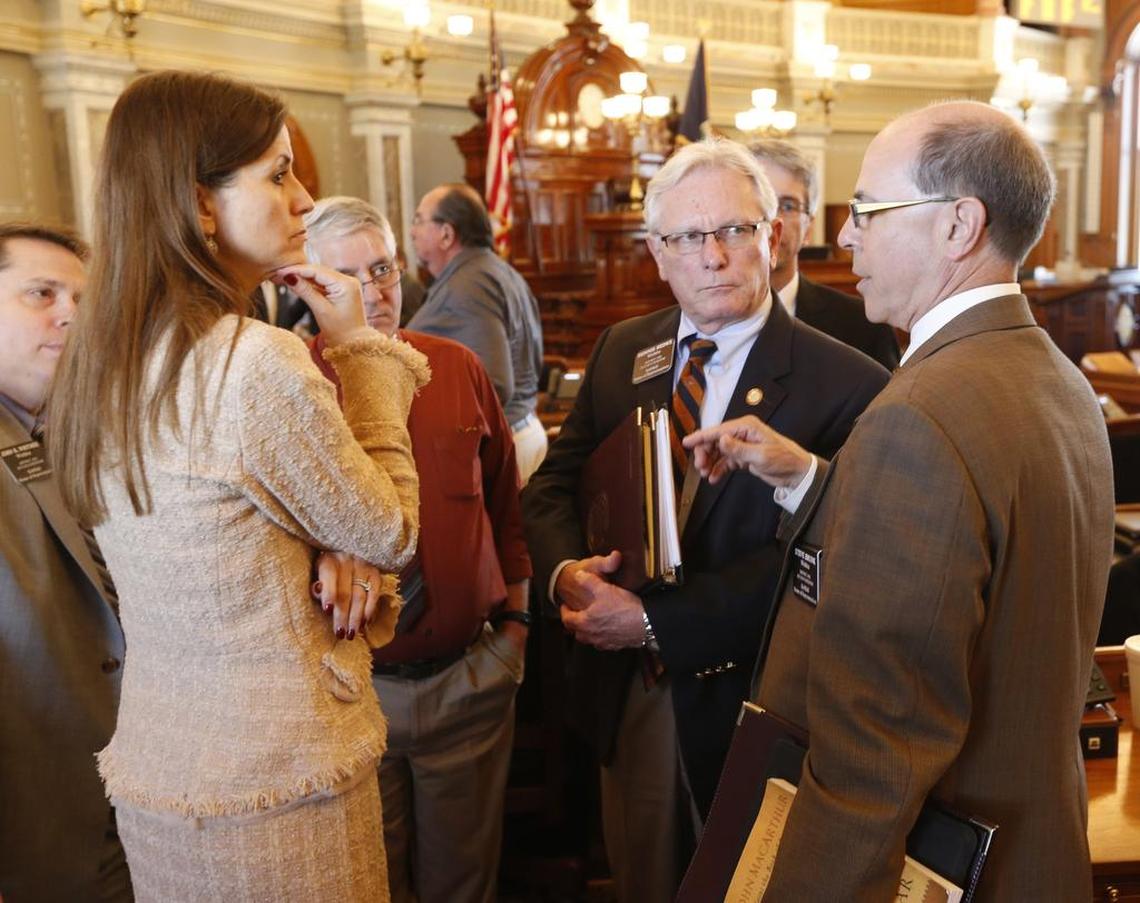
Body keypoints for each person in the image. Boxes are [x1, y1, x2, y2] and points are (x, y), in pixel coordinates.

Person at [685, 102, 1114, 901]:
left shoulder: (918, 413)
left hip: (935, 872)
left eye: (869, 212)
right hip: (1038, 853)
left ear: (960, 226)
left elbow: (875, 754)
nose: (844, 236)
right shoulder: (1060, 379)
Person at [47, 70, 429, 902]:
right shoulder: (251, 360)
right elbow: (391, 528)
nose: (303, 197)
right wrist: (361, 351)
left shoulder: (103, 363)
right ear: (200, 202)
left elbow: (210, 529)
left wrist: (323, 542)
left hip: (166, 769)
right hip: (279, 783)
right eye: (278, 172)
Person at [521, 138, 889, 903]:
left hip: (763, 701)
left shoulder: (848, 380)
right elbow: (555, 483)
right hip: (634, 698)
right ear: (658, 252)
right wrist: (568, 574)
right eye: (689, 237)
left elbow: (823, 560)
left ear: (772, 236)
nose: (713, 255)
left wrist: (656, 622)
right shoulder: (627, 349)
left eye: (734, 230)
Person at [304, 196, 532, 903]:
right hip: (347, 692)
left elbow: (504, 508)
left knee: (464, 886)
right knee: (370, 884)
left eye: (383, 268)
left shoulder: (456, 367)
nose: (373, 291)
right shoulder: (291, 384)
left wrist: (517, 632)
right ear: (307, 287)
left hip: (466, 681)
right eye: (347, 277)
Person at [0, 224, 132, 902]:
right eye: (40, 293)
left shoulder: (74, 432)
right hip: (34, 833)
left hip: (123, 803)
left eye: (82, 298)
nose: (70, 314)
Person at [407, 182, 547, 482]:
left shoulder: (468, 287)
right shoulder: (493, 270)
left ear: (446, 234)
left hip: (499, 449)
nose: (412, 231)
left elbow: (495, 385)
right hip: (521, 433)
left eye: (419, 220)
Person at [749, 138, 900, 370]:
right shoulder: (700, 320)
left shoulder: (864, 326)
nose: (772, 220)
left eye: (787, 206)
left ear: (808, 227)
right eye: (759, 203)